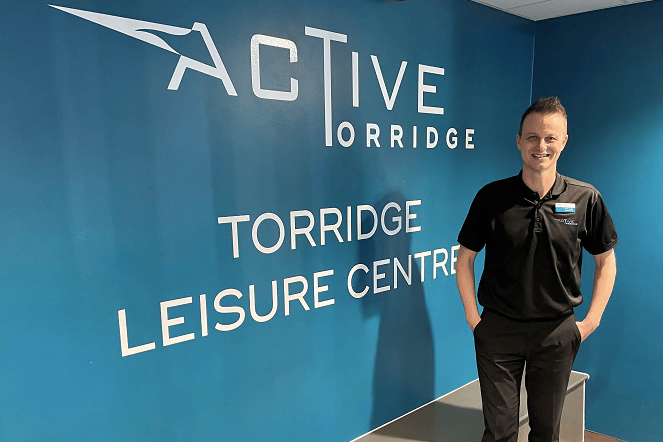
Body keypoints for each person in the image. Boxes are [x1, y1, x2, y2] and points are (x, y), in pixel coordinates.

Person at [455, 97, 618, 442]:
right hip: (498, 331)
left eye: (550, 138)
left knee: (546, 432)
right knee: (499, 432)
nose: (540, 146)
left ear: (564, 142)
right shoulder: (491, 197)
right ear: (518, 140)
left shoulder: (585, 198)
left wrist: (591, 321)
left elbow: (605, 260)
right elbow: (465, 258)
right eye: (532, 137)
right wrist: (474, 319)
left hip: (556, 333)